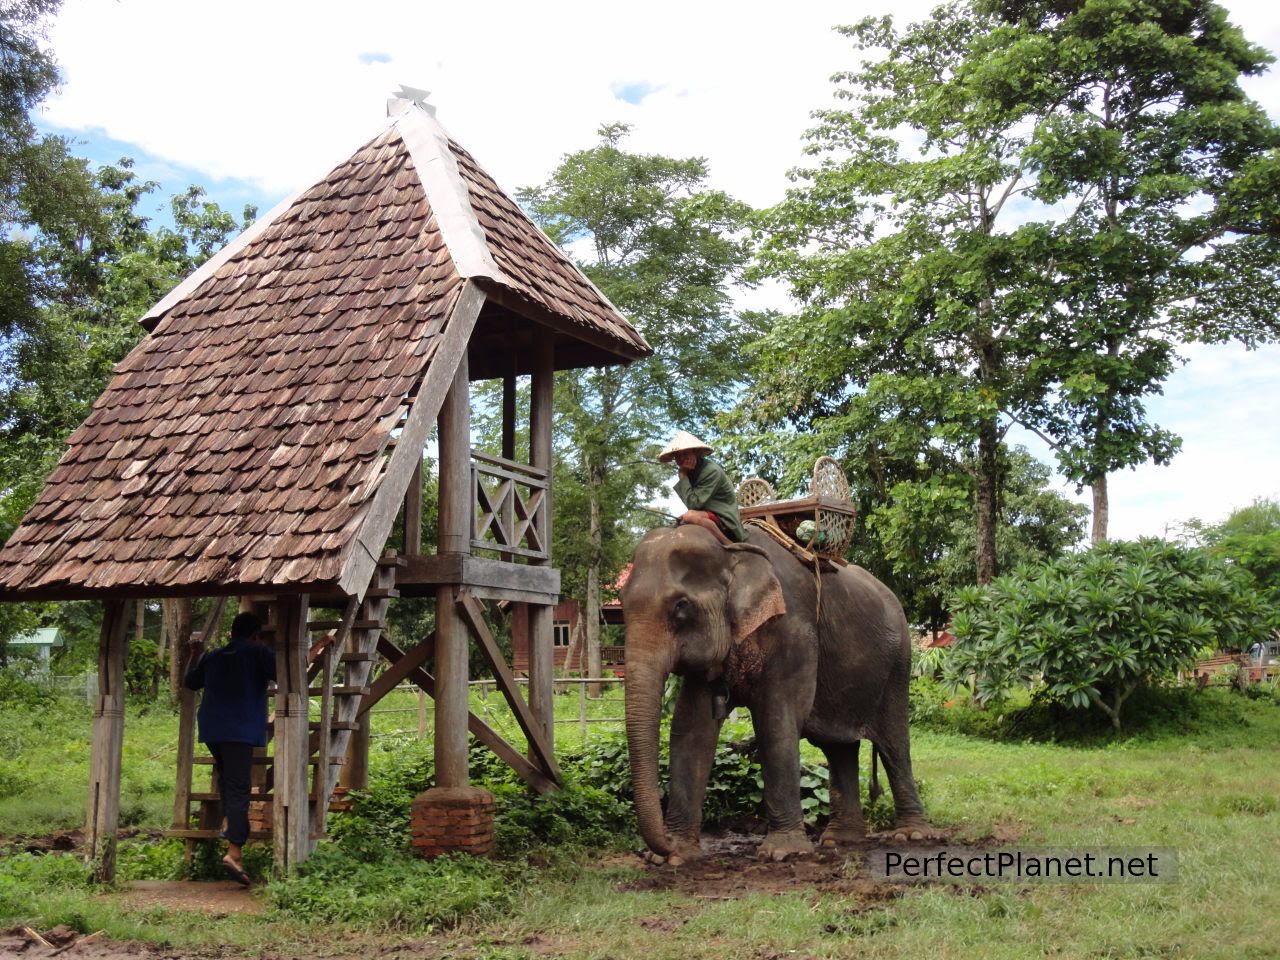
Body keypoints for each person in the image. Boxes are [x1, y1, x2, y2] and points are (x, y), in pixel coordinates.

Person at [183, 612, 276, 886]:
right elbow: (291, 672)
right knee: (237, 789)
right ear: (256, 635)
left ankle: (228, 824)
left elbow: (189, 681)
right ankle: (234, 852)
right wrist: (317, 649)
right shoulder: (258, 652)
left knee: (227, 782)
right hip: (240, 731)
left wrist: (195, 654)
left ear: (231, 633)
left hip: (213, 729)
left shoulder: (213, 656)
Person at [658, 431, 748, 545]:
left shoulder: (711, 471)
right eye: (677, 456)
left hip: (723, 516)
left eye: (685, 454)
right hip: (706, 512)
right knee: (682, 519)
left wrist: (682, 476)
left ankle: (728, 543)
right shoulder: (691, 471)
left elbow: (693, 504)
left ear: (695, 452)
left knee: (689, 515)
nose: (681, 459)